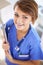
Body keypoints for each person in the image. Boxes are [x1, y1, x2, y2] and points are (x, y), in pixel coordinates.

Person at [2, 0, 42, 65]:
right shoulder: (10, 23)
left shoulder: (34, 41)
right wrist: (4, 42)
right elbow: (4, 32)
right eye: (16, 15)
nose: (18, 21)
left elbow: (36, 63)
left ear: (32, 19)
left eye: (25, 17)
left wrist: (13, 60)